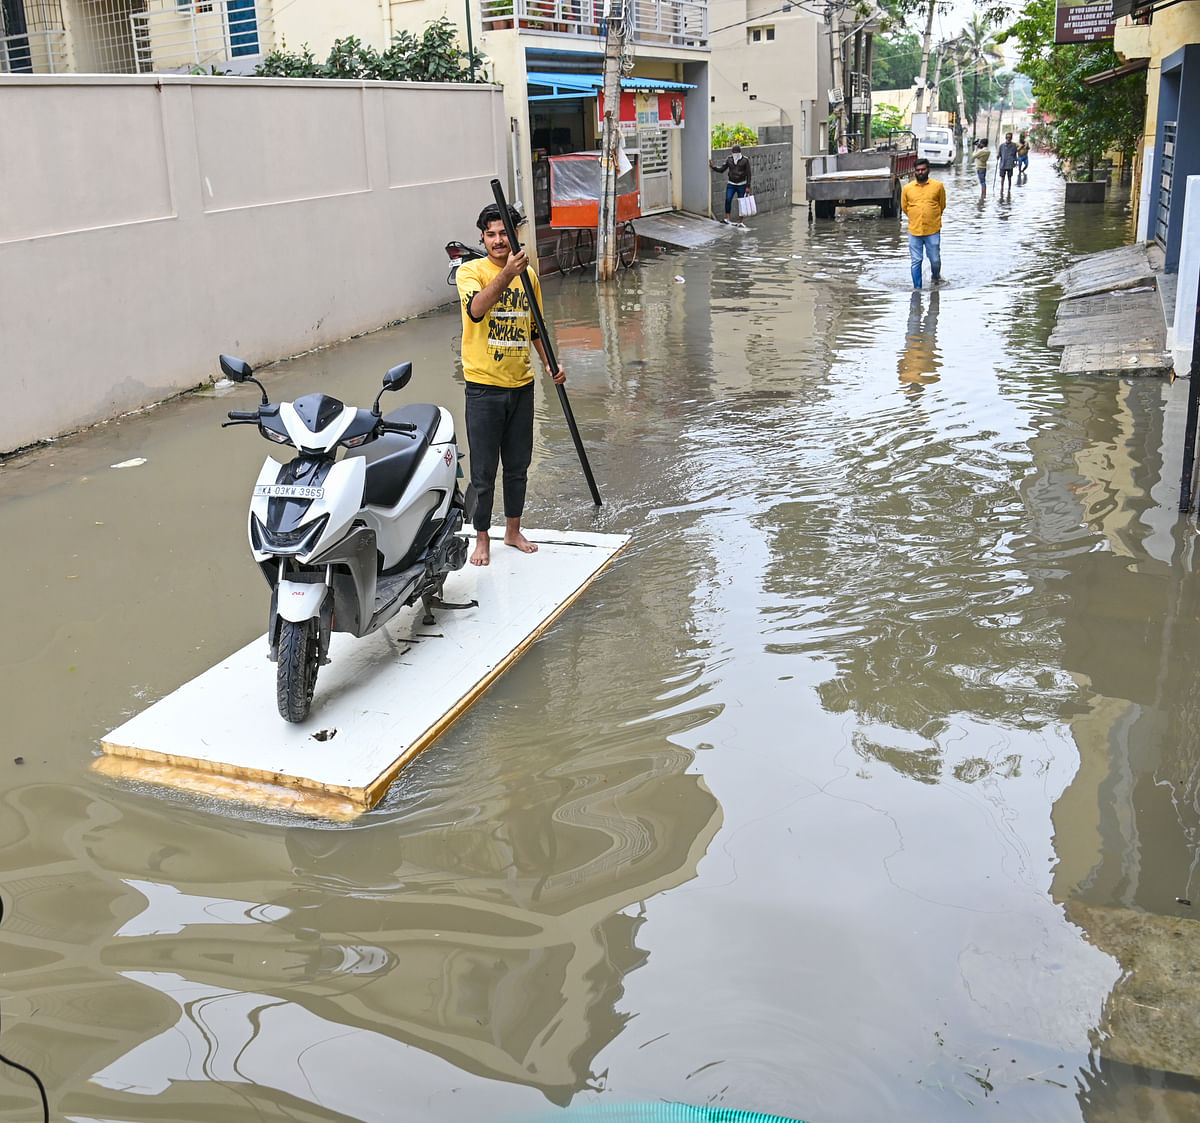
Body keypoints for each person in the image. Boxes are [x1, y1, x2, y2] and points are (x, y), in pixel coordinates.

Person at [456, 203, 566, 567]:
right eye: (491, 234)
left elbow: (535, 327)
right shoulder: (470, 272)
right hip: (484, 387)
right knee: (484, 472)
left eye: (504, 233)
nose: (498, 240)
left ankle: (513, 530)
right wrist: (507, 273)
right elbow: (476, 309)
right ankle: (482, 537)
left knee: (518, 466)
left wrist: (551, 363)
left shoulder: (529, 276)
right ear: (483, 238)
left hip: (522, 384)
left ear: (514, 235)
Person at [900, 157, 947, 291]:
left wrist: (931, 216)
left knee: (935, 259)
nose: (920, 172)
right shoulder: (907, 188)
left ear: (928, 170)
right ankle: (917, 289)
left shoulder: (938, 186)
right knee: (916, 261)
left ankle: (935, 276)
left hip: (932, 229)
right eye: (918, 170)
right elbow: (905, 207)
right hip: (914, 230)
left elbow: (942, 205)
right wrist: (915, 217)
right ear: (914, 172)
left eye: (923, 169)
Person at [709, 144, 752, 227]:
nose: (735, 154)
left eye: (736, 152)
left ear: (739, 152)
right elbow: (722, 169)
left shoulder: (745, 160)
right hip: (731, 184)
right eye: (733, 152)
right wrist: (713, 167)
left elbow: (748, 174)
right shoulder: (729, 159)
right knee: (728, 199)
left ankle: (740, 220)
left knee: (741, 203)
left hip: (741, 184)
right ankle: (728, 218)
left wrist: (748, 186)